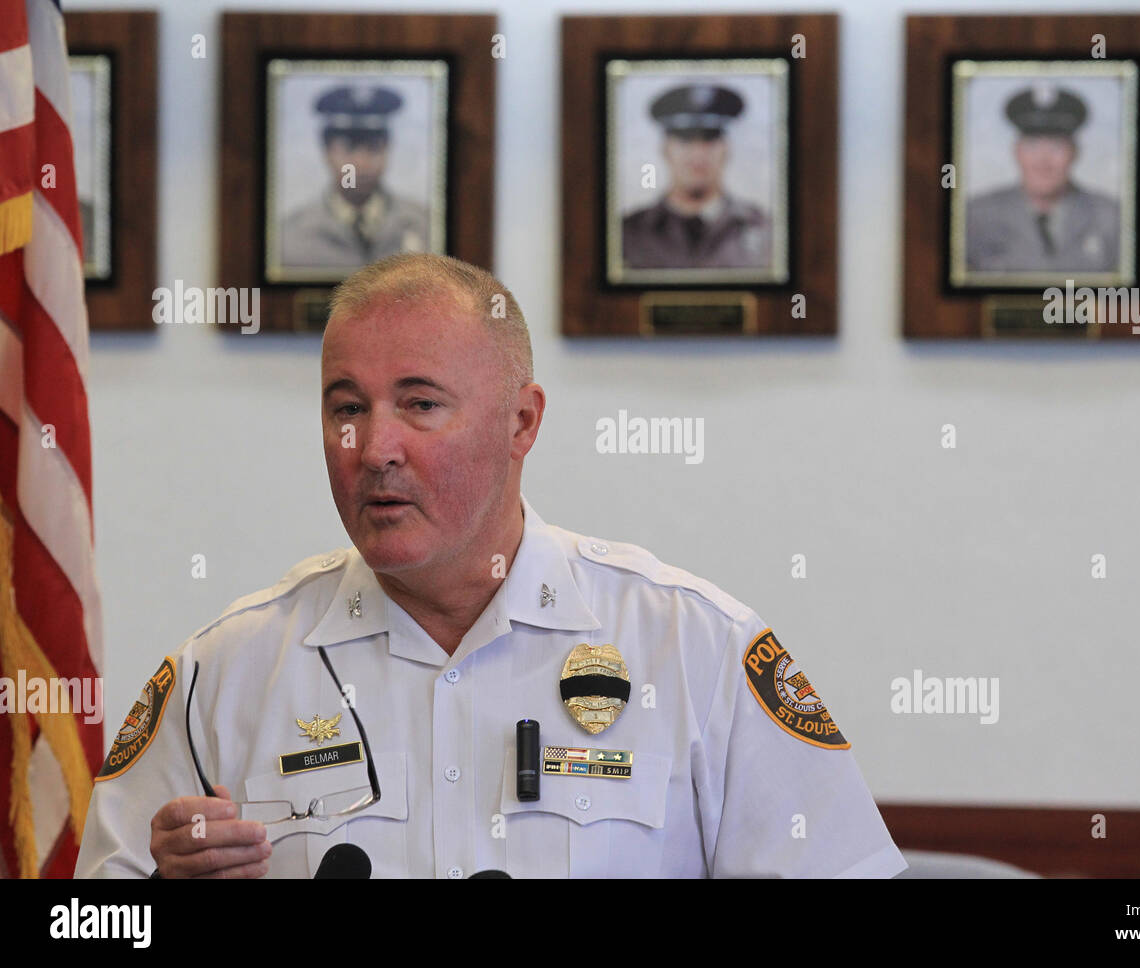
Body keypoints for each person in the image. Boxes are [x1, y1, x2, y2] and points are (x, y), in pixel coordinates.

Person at [75, 253, 905, 879]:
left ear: (521, 422)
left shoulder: (695, 650)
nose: (375, 449)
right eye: (347, 409)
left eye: (421, 404)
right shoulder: (224, 673)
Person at [964, 84, 1121, 274]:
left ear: (1075, 153)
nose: (1043, 161)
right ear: (1017, 152)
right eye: (1032, 145)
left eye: (1056, 146)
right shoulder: (975, 217)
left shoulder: (1111, 218)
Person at [277, 85, 430, 273]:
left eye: (374, 148)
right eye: (349, 148)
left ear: (387, 149)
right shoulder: (289, 237)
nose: (361, 163)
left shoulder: (425, 226)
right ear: (327, 152)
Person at [621, 84, 772, 271]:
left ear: (726, 149)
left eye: (709, 139)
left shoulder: (766, 231)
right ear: (665, 149)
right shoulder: (627, 233)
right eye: (685, 140)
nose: (698, 154)